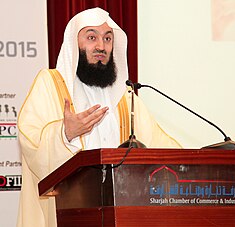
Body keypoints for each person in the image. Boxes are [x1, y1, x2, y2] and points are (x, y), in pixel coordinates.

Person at [17, 7, 181, 227]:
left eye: (107, 38)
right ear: (75, 44)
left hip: (119, 214)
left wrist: (202, 164)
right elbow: (30, 142)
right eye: (91, 37)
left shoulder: (125, 98)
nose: (101, 46)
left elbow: (160, 147)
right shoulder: (50, 83)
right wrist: (66, 134)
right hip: (66, 213)